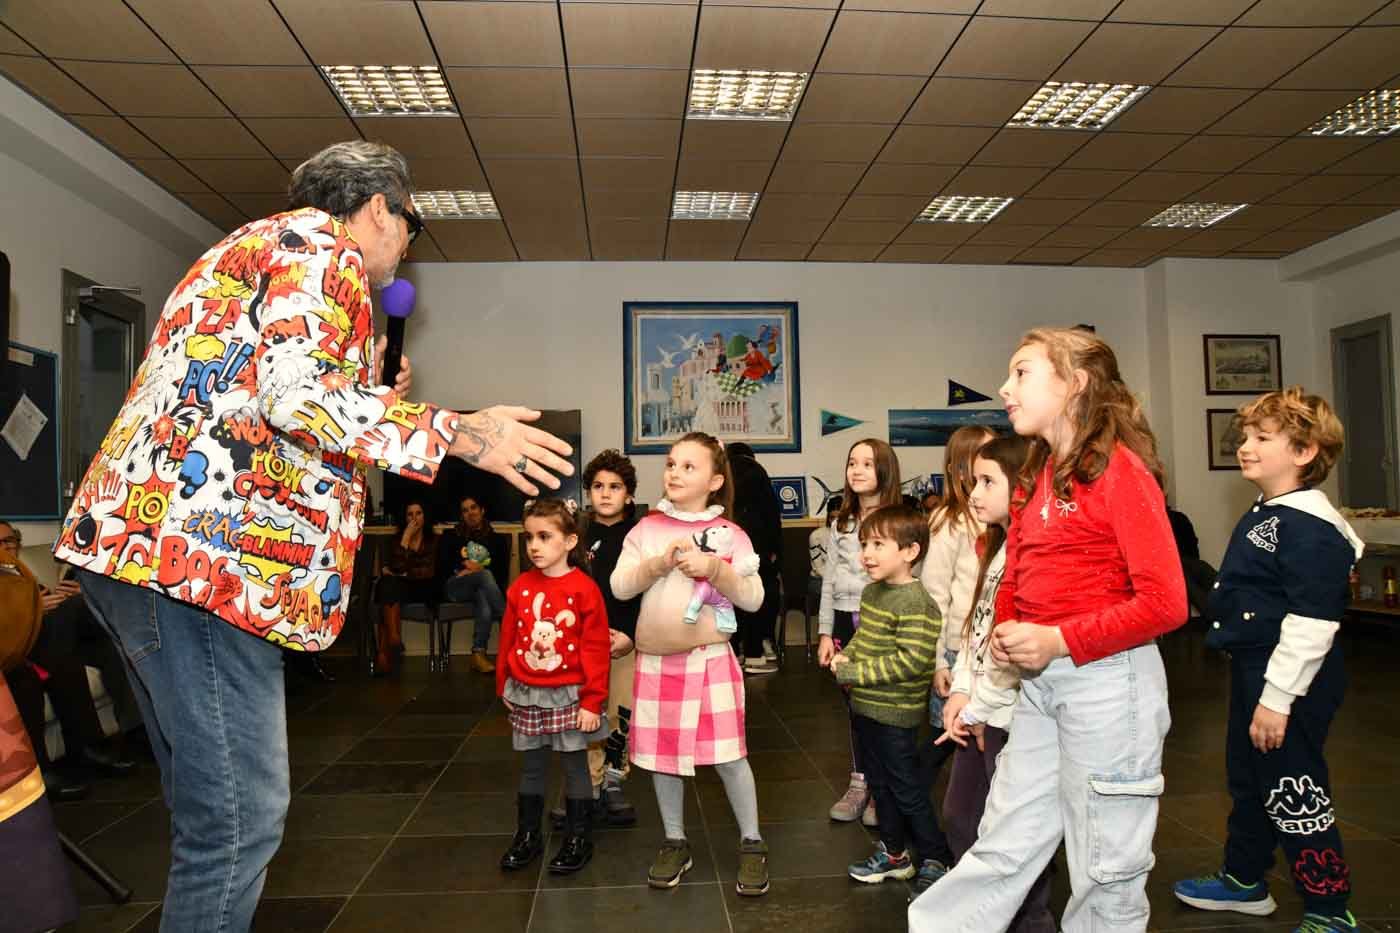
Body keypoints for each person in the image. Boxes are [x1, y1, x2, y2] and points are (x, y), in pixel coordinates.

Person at [54, 140, 575, 933]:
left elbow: (260, 403)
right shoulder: (322, 248)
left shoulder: (253, 246)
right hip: (206, 565)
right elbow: (297, 400)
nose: (407, 246)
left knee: (211, 814)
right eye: (411, 226)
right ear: (378, 209)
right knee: (239, 822)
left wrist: (364, 389)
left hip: (144, 549)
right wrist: (465, 433)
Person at [909, 327, 1187, 933]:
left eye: (1022, 373)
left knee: (1105, 868)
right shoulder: (1038, 474)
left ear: (1075, 383)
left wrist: (1059, 639)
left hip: (1108, 684)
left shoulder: (1121, 472)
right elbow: (1017, 569)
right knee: (1004, 841)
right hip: (1039, 685)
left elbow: (1167, 603)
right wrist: (1009, 628)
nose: (1005, 388)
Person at [1172, 388, 1362, 933]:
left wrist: (1277, 700)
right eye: (1246, 436)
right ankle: (1244, 878)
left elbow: (1312, 622)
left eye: (1262, 438)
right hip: (1257, 670)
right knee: (1252, 777)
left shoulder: (1310, 527)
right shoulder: (1273, 510)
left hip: (1290, 679)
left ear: (1304, 451)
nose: (1245, 446)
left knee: (1292, 787)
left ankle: (1329, 908)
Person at [611, 433, 770, 896]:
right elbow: (620, 586)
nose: (675, 473)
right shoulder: (646, 529)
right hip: (657, 664)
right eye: (671, 464)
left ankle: (752, 841)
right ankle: (675, 840)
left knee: (730, 756)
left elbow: (754, 598)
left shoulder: (732, 535)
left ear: (715, 481)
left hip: (710, 660)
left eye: (688, 466)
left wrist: (716, 569)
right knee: (663, 759)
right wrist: (657, 565)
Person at [936, 434, 1055, 933]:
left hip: (1010, 715)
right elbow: (978, 630)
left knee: (1013, 836)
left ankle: (1030, 922)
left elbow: (1013, 650)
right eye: (974, 480)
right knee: (962, 818)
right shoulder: (998, 546)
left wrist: (980, 707)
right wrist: (964, 690)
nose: (975, 492)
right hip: (984, 707)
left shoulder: (1032, 553)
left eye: (988, 481)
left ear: (1022, 486)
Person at [832, 504, 953, 898]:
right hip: (865, 708)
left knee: (907, 790)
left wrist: (853, 672)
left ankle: (936, 856)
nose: (866, 554)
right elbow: (864, 640)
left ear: (910, 551)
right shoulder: (872, 593)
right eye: (864, 544)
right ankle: (895, 854)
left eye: (878, 545)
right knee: (880, 787)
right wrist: (847, 655)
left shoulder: (917, 603)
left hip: (895, 716)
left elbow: (911, 662)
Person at [497, 498, 610, 875]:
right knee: (531, 766)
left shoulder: (584, 589)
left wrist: (592, 701)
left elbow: (596, 649)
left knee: (575, 765)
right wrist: (504, 684)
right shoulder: (520, 587)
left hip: (570, 695)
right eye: (529, 537)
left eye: (545, 537)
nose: (534, 545)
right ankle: (528, 835)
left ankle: (578, 837)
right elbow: (509, 638)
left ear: (570, 541)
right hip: (527, 691)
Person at [0, 522, 136, 800]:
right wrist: (35, 610)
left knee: (100, 644)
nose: (6, 548)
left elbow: (48, 601)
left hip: (47, 641)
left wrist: (57, 600)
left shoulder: (21, 575)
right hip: (16, 650)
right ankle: (79, 751)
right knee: (63, 637)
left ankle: (111, 739)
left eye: (10, 541)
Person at [818, 438, 903, 825]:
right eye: (853, 462)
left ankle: (882, 788)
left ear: (884, 470)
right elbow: (829, 579)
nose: (857, 470)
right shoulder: (842, 522)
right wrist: (824, 632)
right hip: (843, 619)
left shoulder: (899, 521)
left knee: (880, 708)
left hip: (880, 620)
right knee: (854, 708)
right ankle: (859, 783)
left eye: (867, 464)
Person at [920, 425, 997, 778]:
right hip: (957, 650)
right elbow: (934, 596)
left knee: (983, 737)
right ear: (959, 469)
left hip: (992, 649)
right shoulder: (948, 521)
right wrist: (939, 661)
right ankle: (901, 797)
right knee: (946, 736)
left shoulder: (1000, 516)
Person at [579, 449, 642, 825]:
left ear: (629, 494)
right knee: (587, 713)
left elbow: (647, 593)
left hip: (624, 642)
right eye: (598, 486)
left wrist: (631, 636)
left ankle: (615, 780)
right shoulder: (576, 537)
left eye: (615, 487)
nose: (605, 493)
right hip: (584, 643)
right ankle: (588, 782)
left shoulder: (639, 537)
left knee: (620, 713)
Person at [727, 442, 783, 675]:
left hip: (729, 543)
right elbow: (772, 514)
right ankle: (755, 655)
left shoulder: (723, 471)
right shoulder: (758, 471)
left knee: (729, 597)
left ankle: (734, 652)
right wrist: (775, 550)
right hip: (757, 544)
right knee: (757, 597)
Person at [439, 495, 509, 674]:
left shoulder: (498, 540)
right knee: (484, 576)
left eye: (473, 508)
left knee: (483, 593)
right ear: (461, 515)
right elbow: (442, 565)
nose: (470, 513)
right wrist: (463, 567)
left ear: (482, 510)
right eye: (465, 510)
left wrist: (478, 569)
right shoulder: (450, 536)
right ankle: (509, 620)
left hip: (482, 587)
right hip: (456, 586)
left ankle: (478, 653)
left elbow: (502, 574)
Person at [373, 500, 439, 675]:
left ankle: (384, 653)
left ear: (424, 516)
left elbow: (428, 571)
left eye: (418, 513)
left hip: (426, 588)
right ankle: (394, 639)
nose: (414, 518)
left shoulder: (433, 540)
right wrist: (405, 539)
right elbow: (398, 568)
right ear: (405, 518)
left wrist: (400, 573)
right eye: (410, 514)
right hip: (403, 588)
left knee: (388, 587)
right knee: (387, 585)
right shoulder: (397, 540)